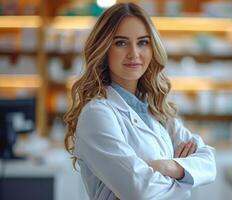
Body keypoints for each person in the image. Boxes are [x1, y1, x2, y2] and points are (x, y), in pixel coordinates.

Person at [64, 2, 216, 200]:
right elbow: (140, 191)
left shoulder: (156, 109)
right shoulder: (98, 113)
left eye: (143, 42)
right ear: (103, 49)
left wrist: (166, 165)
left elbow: (208, 163)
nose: (134, 53)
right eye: (121, 42)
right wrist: (185, 175)